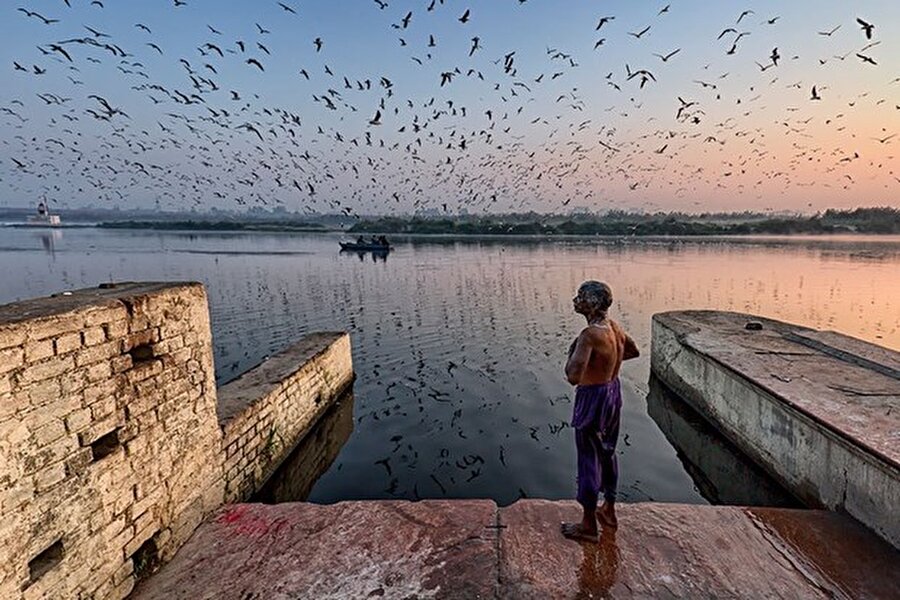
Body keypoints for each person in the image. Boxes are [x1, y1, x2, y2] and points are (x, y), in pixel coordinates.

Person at [560, 281, 639, 543]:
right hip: (612, 392)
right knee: (607, 451)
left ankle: (588, 525)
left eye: (580, 296)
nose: (575, 300)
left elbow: (572, 376)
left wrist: (574, 351)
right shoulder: (614, 327)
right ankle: (609, 510)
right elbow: (632, 351)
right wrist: (605, 365)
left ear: (592, 304)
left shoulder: (589, 335)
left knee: (588, 457)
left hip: (593, 397)